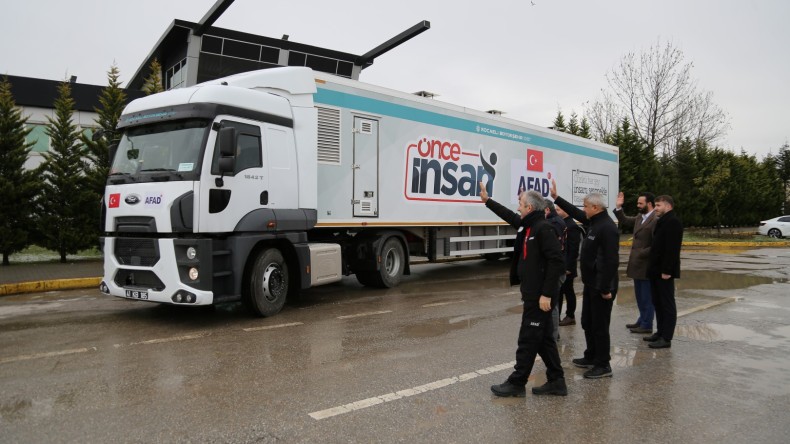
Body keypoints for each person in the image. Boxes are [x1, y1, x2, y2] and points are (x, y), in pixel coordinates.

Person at [479, 181, 567, 397]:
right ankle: (557, 381)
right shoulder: (528, 226)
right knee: (545, 340)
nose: (518, 206)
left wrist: (547, 294)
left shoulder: (543, 228)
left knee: (528, 338)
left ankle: (517, 383)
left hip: (540, 297)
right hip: (532, 294)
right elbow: (510, 216)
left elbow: (557, 262)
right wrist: (487, 201)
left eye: (521, 203)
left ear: (530, 208)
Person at [550, 179, 619, 379]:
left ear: (596, 207)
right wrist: (556, 198)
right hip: (591, 284)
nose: (583, 210)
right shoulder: (594, 221)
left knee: (599, 325)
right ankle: (591, 356)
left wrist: (605, 288)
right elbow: (576, 213)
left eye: (586, 206)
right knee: (588, 322)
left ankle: (603, 364)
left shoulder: (607, 227)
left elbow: (611, 261)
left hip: (602, 286)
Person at [613, 191, 657, 334]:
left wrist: (641, 252)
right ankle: (642, 319)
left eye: (640, 203)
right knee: (639, 295)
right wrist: (619, 208)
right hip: (637, 265)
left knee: (647, 296)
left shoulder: (655, 219)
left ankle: (647, 324)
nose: (638, 206)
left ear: (649, 204)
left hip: (646, 265)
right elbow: (625, 220)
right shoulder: (641, 217)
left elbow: (657, 245)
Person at [644, 195, 683, 349]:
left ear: (668, 206)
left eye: (658, 205)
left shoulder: (673, 222)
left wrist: (667, 270)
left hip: (664, 271)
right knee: (657, 302)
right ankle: (660, 332)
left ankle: (666, 337)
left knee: (666, 303)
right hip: (655, 270)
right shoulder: (662, 221)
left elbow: (672, 249)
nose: (655, 209)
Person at [556, 205, 583, 327]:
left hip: (568, 267)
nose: (556, 211)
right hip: (562, 265)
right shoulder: (563, 223)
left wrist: (568, 268)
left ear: (566, 211)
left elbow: (573, 250)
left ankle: (570, 315)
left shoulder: (572, 226)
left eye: (558, 209)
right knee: (560, 292)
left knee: (568, 291)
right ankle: (558, 316)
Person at [544, 199, 567, 341]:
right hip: (558, 268)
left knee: (552, 304)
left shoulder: (553, 224)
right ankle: (552, 333)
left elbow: (553, 252)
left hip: (556, 270)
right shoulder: (556, 221)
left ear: (546, 210)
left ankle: (553, 335)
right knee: (553, 303)